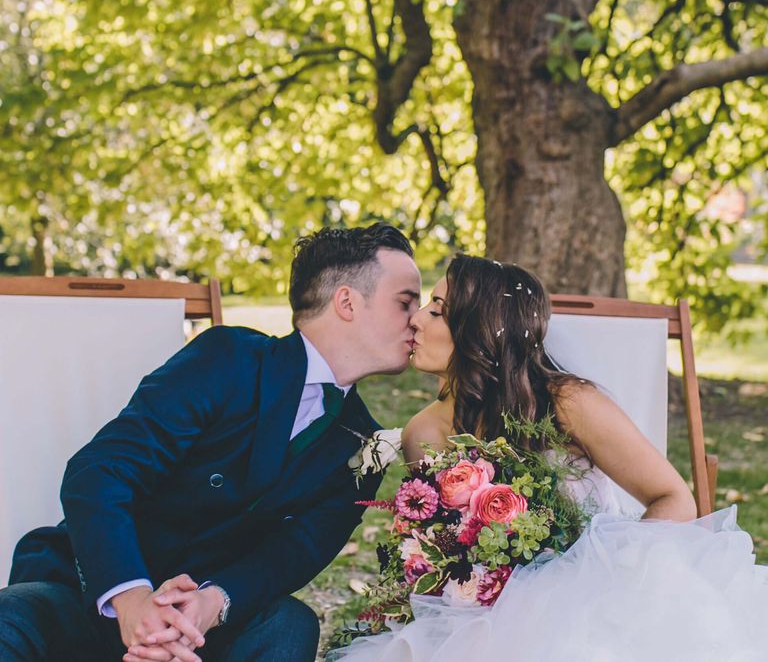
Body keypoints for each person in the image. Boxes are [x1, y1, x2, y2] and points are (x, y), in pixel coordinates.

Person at [0, 222, 422, 662]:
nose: (416, 319)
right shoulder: (230, 358)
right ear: (348, 302)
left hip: (202, 628)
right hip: (94, 595)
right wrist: (133, 603)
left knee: (289, 625)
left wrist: (210, 605)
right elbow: (98, 473)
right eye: (405, 302)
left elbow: (296, 552)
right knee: (8, 618)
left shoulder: (366, 444)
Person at [331, 254, 768, 661]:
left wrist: (594, 584)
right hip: (480, 616)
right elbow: (437, 545)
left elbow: (674, 497)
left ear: (481, 329)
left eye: (438, 309)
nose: (416, 320)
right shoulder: (423, 433)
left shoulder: (567, 403)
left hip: (601, 593)